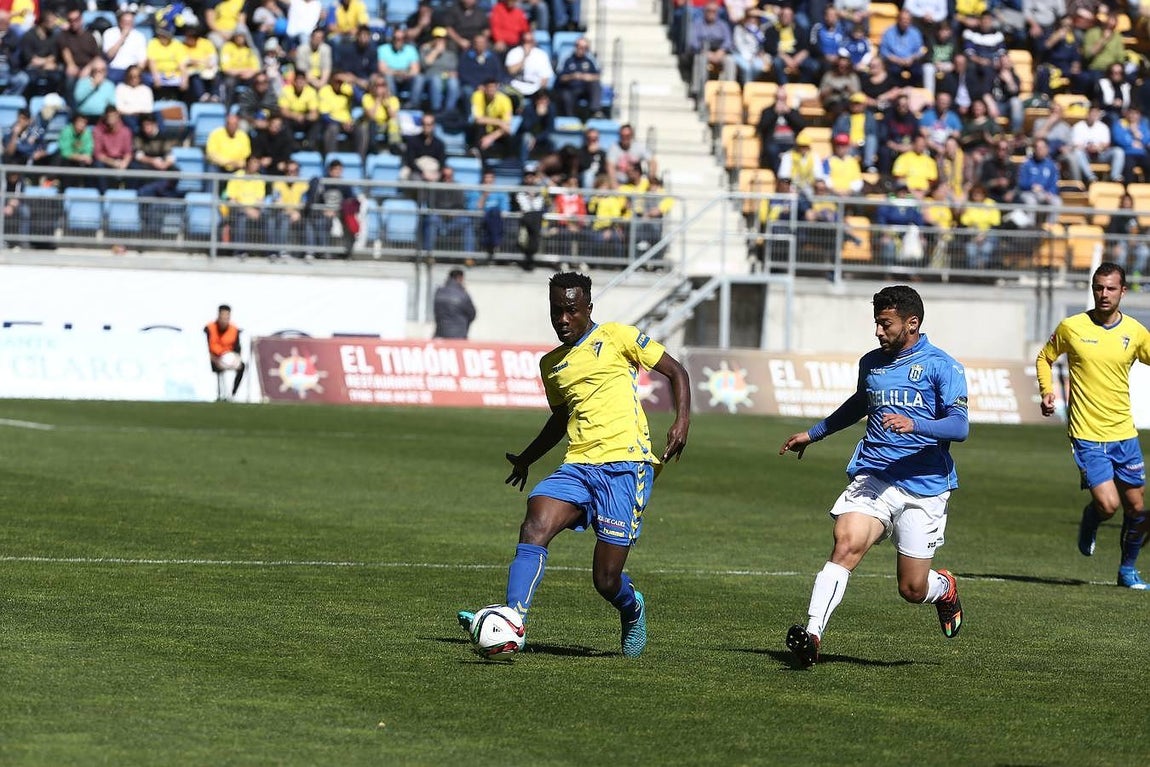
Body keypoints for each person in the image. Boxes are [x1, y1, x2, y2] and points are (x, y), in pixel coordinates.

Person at [456, 271, 691, 657]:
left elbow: (676, 371)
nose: (562, 319)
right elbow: (561, 417)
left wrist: (681, 421)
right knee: (535, 522)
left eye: (570, 311)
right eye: (556, 312)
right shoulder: (551, 365)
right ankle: (513, 617)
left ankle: (633, 608)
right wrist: (528, 457)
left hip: (626, 467)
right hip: (579, 466)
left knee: (606, 579)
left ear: (588, 309)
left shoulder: (618, 336)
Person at [780, 285, 968, 667]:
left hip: (924, 487)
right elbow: (859, 403)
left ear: (911, 324)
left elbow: (959, 426)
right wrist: (814, 434)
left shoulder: (942, 366)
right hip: (876, 476)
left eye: (886, 324)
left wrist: (916, 425)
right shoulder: (872, 363)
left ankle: (943, 588)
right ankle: (813, 635)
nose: (878, 332)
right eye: (877, 323)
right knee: (845, 544)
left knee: (912, 589)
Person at [1036, 263, 1150, 589]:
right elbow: (1044, 358)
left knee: (1138, 509)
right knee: (1108, 505)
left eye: (1111, 288)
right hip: (1087, 434)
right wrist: (1047, 391)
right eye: (1098, 287)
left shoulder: (1136, 332)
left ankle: (1127, 571)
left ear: (1122, 291)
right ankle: (1092, 518)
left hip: (1125, 434)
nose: (1103, 294)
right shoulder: (1072, 327)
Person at [205, 304, 246, 401]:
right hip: (215, 358)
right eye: (222, 316)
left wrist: (236, 359)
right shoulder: (209, 328)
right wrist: (215, 360)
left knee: (241, 366)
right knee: (218, 369)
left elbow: (237, 349)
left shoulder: (234, 330)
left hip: (229, 358)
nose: (224, 319)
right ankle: (220, 395)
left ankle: (233, 394)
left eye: (226, 316)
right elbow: (206, 349)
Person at [433, 268, 477, 339]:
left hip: (440, 334)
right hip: (459, 335)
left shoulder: (439, 292)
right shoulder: (463, 294)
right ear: (460, 278)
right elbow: (472, 314)